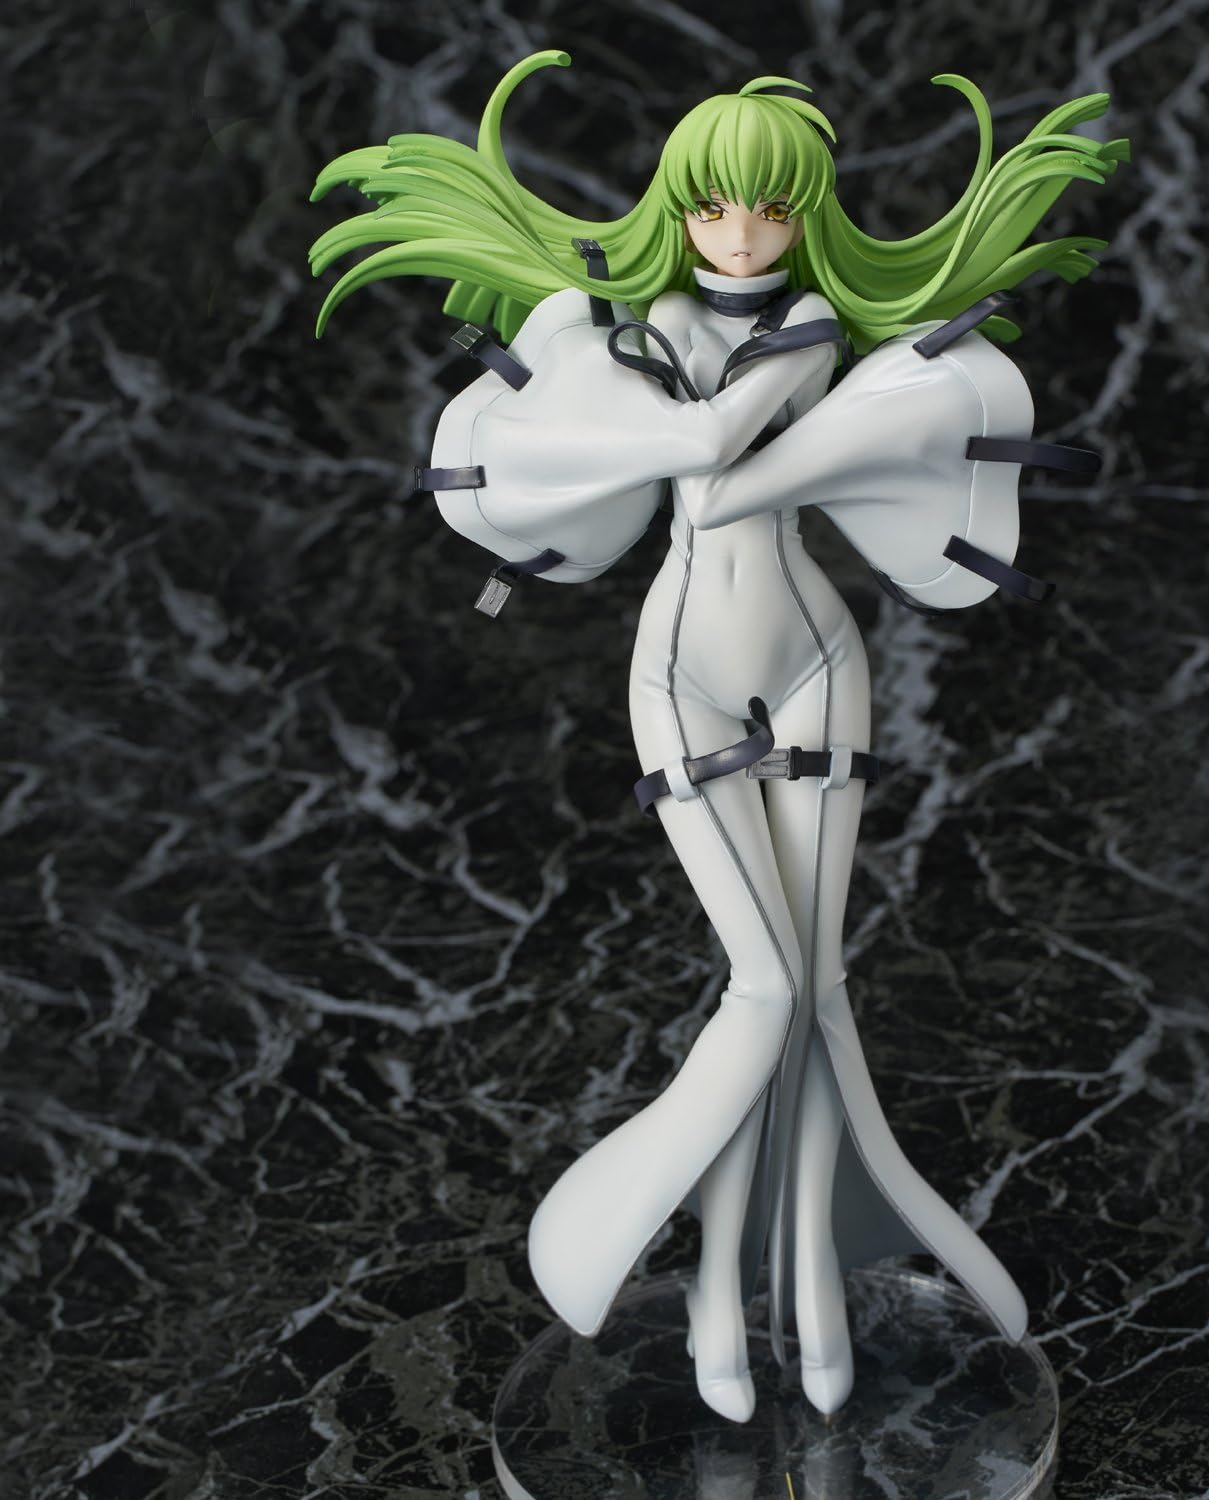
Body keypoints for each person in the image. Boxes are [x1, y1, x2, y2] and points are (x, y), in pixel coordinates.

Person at [309, 48, 1127, 1421]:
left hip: (816, 659)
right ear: (674, 208)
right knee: (764, 989)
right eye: (711, 207)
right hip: (677, 673)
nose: (740, 234)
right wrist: (575, 421)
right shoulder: (638, 329)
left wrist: (625, 422)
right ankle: (689, 1282)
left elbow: (714, 459)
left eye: (771, 208)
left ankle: (806, 1290)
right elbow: (670, 458)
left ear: (809, 217)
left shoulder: (802, 324)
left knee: (815, 995)